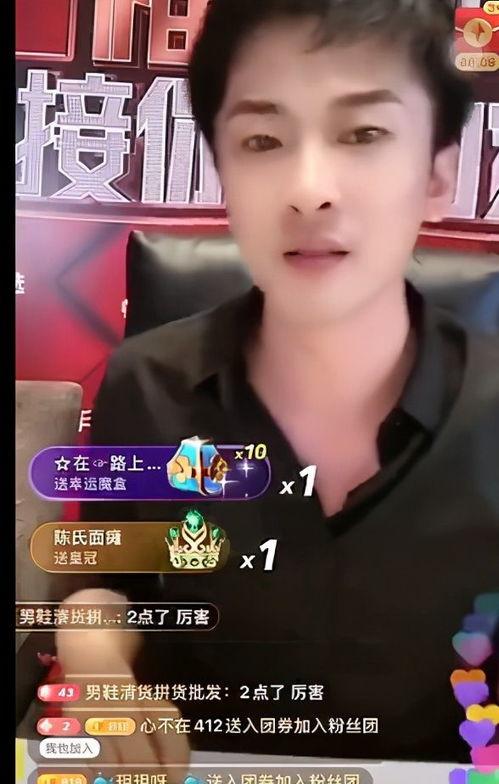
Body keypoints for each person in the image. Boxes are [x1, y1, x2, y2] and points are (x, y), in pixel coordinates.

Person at [53, 0, 499, 768]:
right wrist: (93, 659)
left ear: (435, 173)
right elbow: (107, 585)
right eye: (262, 140)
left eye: (363, 134)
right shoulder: (147, 383)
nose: (308, 189)